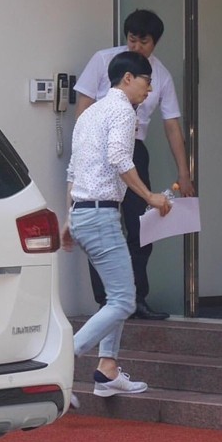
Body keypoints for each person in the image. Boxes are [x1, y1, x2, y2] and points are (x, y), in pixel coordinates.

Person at [61, 51, 171, 398]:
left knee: (115, 295)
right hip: (101, 214)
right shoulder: (123, 110)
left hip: (84, 212)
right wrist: (151, 197)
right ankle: (61, 363)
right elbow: (120, 158)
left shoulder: (90, 113)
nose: (149, 90)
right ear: (127, 79)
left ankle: (107, 370)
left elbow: (74, 172)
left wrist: (69, 217)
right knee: (124, 300)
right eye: (146, 81)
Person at [75, 9, 195, 320]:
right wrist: (84, 149)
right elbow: (84, 107)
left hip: (135, 149)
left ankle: (137, 297)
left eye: (144, 42)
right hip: (101, 150)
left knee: (142, 226)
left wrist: (184, 172)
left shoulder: (161, 75)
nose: (136, 47)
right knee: (103, 221)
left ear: (155, 43)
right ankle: (107, 302)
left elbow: (171, 125)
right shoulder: (104, 60)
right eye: (131, 40)